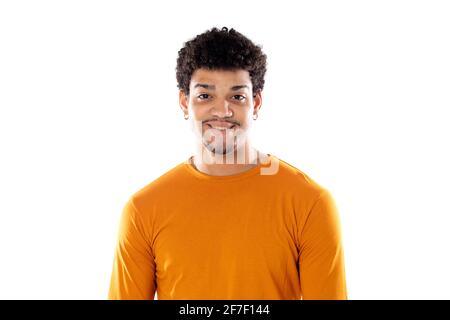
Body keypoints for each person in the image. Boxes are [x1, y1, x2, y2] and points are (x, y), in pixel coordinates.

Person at [108, 26, 347, 300]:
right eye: (205, 96)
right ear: (184, 102)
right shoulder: (143, 210)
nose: (222, 111)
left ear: (256, 103)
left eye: (237, 96)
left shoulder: (310, 204)